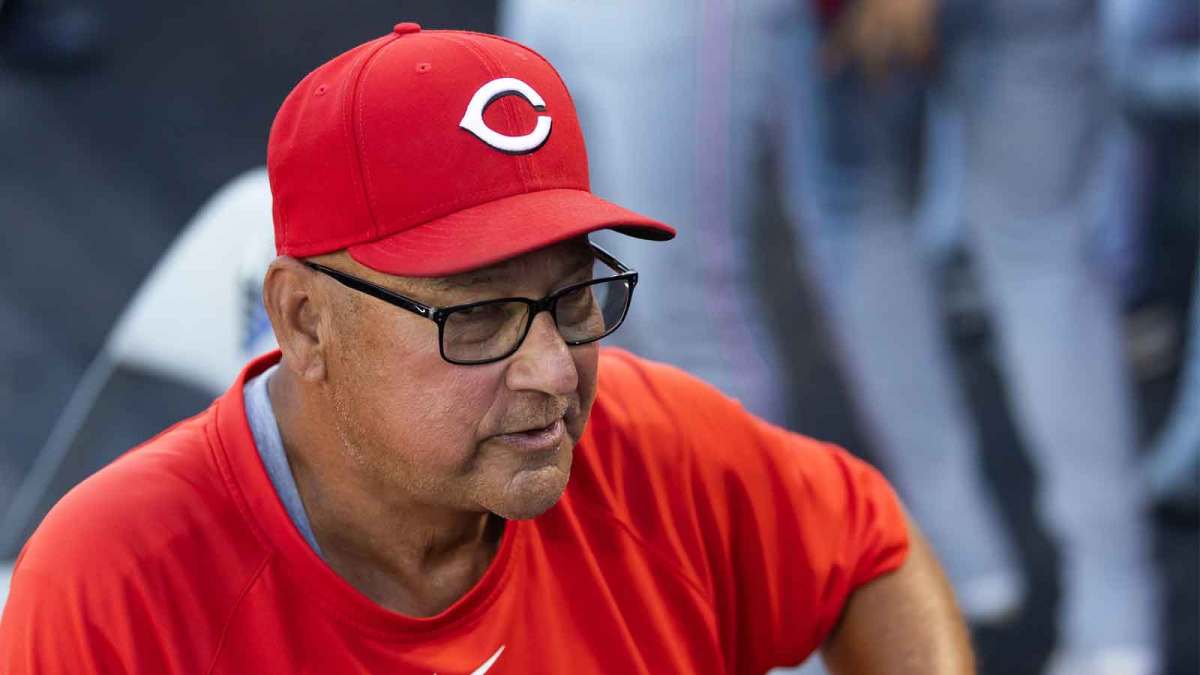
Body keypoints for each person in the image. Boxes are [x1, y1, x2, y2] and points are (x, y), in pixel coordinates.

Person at [0, 24, 972, 673]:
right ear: (304, 322)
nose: (553, 373)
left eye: (573, 295)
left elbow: (867, 555)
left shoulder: (648, 441)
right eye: (475, 316)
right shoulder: (112, 591)